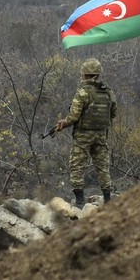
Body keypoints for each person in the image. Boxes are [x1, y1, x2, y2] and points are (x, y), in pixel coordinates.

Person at [55, 58, 117, 207]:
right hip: (101, 135)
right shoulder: (108, 92)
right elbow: (113, 113)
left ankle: (80, 201)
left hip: (83, 135)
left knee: (77, 165)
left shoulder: (83, 93)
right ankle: (107, 200)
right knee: (103, 166)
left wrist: (64, 123)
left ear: (87, 75)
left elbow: (74, 116)